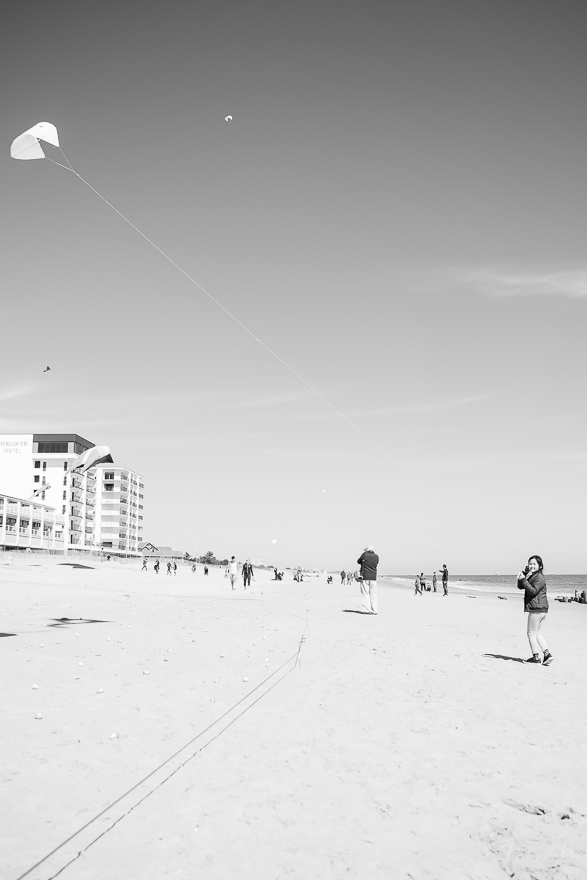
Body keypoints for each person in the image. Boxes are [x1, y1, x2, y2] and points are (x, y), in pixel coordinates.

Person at [517, 555, 553, 665]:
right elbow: (521, 586)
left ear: (540, 566)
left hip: (537, 609)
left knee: (531, 633)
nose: (532, 566)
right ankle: (547, 655)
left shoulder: (539, 577)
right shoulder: (532, 575)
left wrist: (524, 579)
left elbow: (533, 591)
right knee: (537, 634)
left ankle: (535, 657)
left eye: (534, 564)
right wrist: (523, 577)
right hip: (540, 609)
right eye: (530, 564)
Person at [357, 545, 379, 614]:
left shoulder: (364, 555)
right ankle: (375, 610)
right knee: (374, 595)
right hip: (373, 577)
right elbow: (376, 563)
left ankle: (367, 610)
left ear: (367, 550)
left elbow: (358, 561)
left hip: (365, 576)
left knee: (365, 594)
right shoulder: (377, 556)